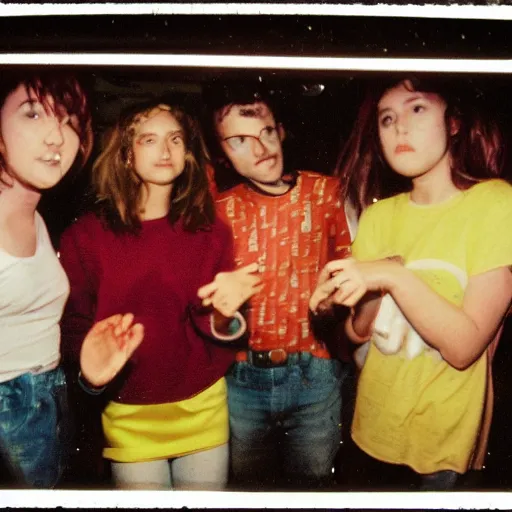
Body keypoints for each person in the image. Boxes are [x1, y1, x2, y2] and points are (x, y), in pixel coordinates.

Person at [310, 77, 512, 490]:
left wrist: (391, 274)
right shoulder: (379, 216)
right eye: (386, 118)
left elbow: (463, 348)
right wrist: (339, 297)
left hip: (443, 443)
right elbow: (358, 331)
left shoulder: (496, 203)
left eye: (416, 109)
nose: (399, 127)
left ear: (453, 121)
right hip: (371, 427)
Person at [59, 100, 261, 490]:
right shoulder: (83, 237)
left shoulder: (211, 232)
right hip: (128, 410)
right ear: (125, 154)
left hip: (201, 406)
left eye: (175, 139)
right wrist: (90, 372)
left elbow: (213, 321)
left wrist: (224, 312)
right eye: (149, 139)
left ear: (188, 154)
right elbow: (75, 330)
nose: (165, 151)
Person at [203, 83, 353, 489]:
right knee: (249, 489)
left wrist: (333, 308)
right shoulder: (219, 212)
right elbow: (209, 310)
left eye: (266, 131)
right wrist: (223, 313)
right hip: (244, 381)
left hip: (315, 375)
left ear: (281, 130)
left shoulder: (327, 192)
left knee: (313, 486)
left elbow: (349, 271)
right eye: (239, 140)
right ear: (221, 154)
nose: (260, 147)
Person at [0, 71, 93, 488]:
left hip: (47, 400)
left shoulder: (36, 214)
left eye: (69, 119)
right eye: (33, 114)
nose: (57, 136)